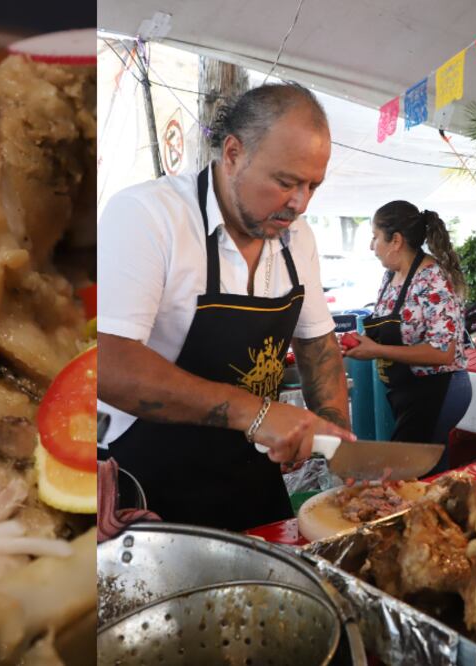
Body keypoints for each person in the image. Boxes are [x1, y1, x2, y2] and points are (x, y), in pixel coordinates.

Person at [96, 83, 353, 531]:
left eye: (313, 185)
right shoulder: (148, 215)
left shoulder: (298, 238)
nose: (300, 203)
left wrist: (330, 431)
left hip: (252, 479)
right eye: (286, 182)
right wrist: (257, 414)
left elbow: (318, 347)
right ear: (233, 153)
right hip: (153, 487)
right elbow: (109, 363)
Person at [342, 201, 471, 459]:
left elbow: (443, 353)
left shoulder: (433, 279)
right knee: (425, 473)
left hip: (438, 390)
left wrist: (377, 350)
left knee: (403, 469)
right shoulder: (391, 277)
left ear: (396, 241)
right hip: (405, 393)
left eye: (375, 236)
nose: (371, 246)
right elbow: (388, 332)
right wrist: (357, 343)